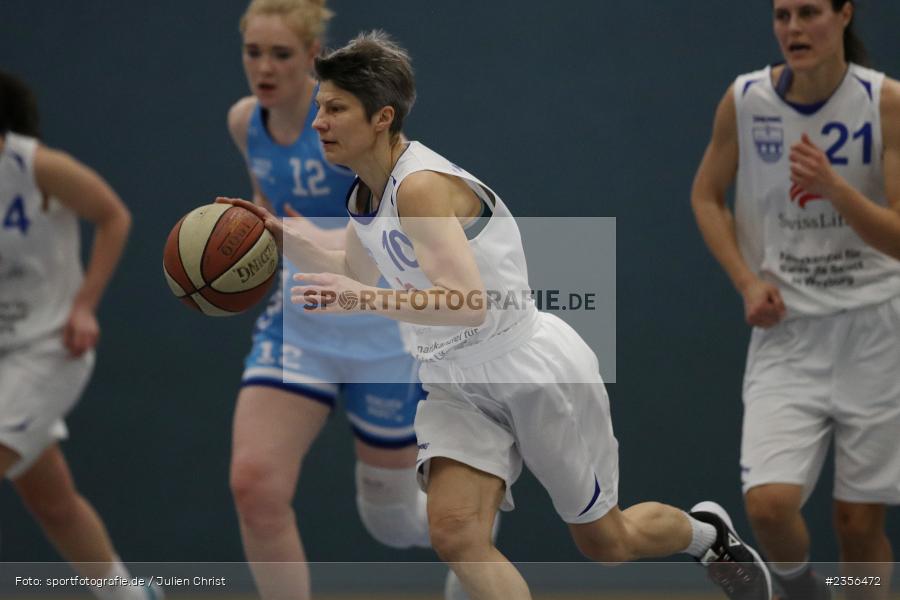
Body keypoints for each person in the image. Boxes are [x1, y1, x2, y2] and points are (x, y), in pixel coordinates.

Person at [221, 31, 774, 600]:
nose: (319, 122)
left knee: (607, 542)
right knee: (456, 537)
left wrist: (358, 300)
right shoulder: (366, 191)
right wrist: (279, 236)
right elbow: (357, 268)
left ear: (382, 116)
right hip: (455, 384)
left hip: (528, 371)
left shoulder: (420, 188)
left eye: (335, 109)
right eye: (319, 108)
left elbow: (466, 303)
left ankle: (708, 536)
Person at [226, 3, 470, 599]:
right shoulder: (244, 123)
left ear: (312, 58)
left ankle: (471, 536)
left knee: (391, 524)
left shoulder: (348, 124)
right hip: (300, 325)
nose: (264, 66)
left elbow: (391, 227)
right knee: (254, 486)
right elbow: (272, 213)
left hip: (379, 326)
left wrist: (304, 239)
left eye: (281, 53)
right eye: (253, 51)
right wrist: (240, 253)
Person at [691, 1, 900, 598]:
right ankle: (801, 590)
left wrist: (835, 188)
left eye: (809, 13)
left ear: (844, 15)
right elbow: (707, 196)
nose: (793, 29)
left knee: (857, 525)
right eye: (782, 16)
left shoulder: (884, 102)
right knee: (770, 506)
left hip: (875, 330)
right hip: (788, 332)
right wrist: (747, 281)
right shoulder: (747, 98)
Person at [0, 70, 162, 600]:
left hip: (49, 346)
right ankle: (128, 597)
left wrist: (85, 304)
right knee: (53, 501)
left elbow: (113, 215)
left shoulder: (37, 166)